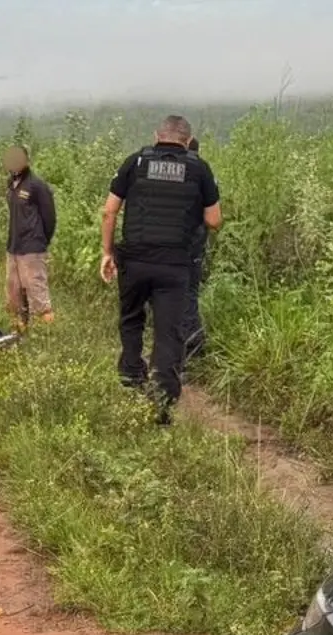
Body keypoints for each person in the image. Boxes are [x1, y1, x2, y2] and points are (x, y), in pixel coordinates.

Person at [100, 116, 222, 424]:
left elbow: (110, 211)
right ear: (187, 139)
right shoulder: (199, 169)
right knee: (169, 332)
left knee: (131, 319)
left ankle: (130, 377)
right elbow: (214, 221)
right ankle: (162, 404)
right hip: (175, 264)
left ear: (157, 135)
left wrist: (107, 252)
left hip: (135, 259)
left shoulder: (135, 162)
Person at [2, 144, 57, 331]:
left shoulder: (37, 185)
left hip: (32, 248)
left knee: (37, 293)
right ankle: (20, 331)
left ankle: (45, 336)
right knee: (14, 293)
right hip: (14, 247)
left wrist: (41, 241)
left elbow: (50, 217)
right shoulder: (11, 184)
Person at [182, 136, 208, 372]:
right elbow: (214, 218)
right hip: (197, 242)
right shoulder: (205, 172)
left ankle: (193, 349)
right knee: (189, 294)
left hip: (181, 245)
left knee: (181, 297)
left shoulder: (187, 173)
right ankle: (193, 347)